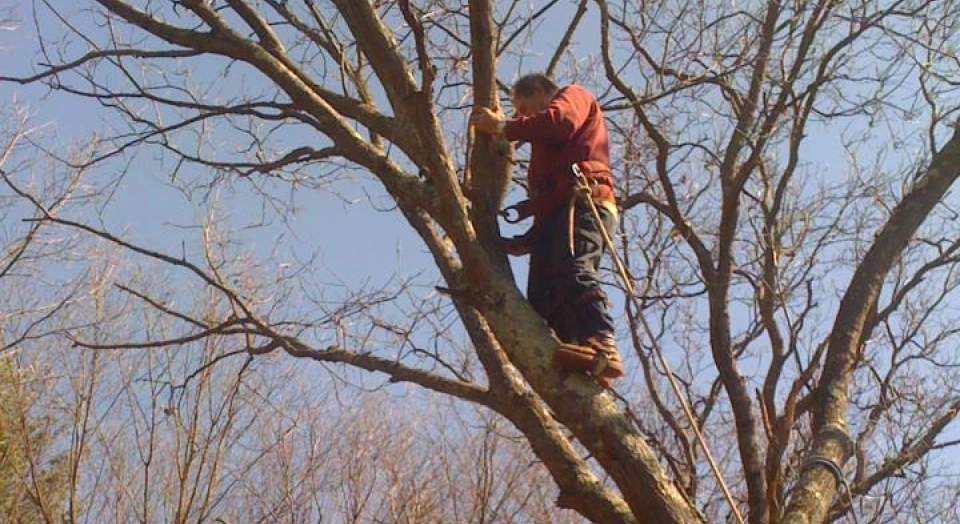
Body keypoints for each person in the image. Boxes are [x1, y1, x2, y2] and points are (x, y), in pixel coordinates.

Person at [471, 73, 623, 387]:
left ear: (541, 90)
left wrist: (503, 126)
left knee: (573, 268)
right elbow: (546, 200)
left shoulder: (572, 96)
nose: (523, 118)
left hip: (583, 202)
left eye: (525, 107)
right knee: (540, 296)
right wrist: (526, 240)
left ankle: (600, 340)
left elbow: (560, 122)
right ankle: (579, 352)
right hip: (556, 214)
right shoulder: (543, 155)